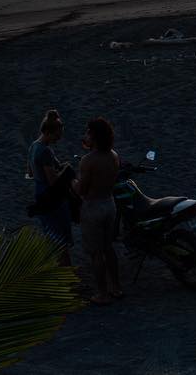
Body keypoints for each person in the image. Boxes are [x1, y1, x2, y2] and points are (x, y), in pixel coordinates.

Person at [74, 116, 122, 305]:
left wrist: (72, 182)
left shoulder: (88, 161)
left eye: (88, 133)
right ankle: (116, 287)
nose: (85, 135)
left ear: (94, 136)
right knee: (109, 248)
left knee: (96, 253)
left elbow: (81, 190)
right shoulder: (113, 155)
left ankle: (102, 293)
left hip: (93, 207)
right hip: (109, 204)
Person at [28, 110, 73, 265]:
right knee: (60, 238)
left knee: (51, 235)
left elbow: (30, 172)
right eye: (56, 136)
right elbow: (53, 181)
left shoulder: (33, 146)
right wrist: (65, 171)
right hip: (51, 197)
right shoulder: (45, 151)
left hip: (39, 192)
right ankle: (66, 272)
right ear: (48, 132)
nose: (58, 139)